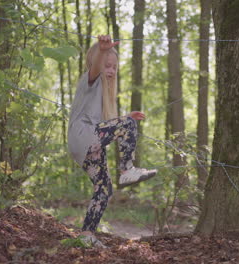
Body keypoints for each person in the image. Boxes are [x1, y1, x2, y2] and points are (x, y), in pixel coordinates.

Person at [68, 35, 157, 247]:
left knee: (105, 188)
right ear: (96, 63)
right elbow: (96, 67)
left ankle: (87, 235)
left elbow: (107, 126)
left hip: (85, 143)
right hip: (83, 135)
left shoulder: (103, 95)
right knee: (127, 124)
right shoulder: (91, 79)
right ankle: (127, 170)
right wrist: (101, 50)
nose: (110, 71)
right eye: (107, 66)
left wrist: (124, 119)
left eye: (114, 68)